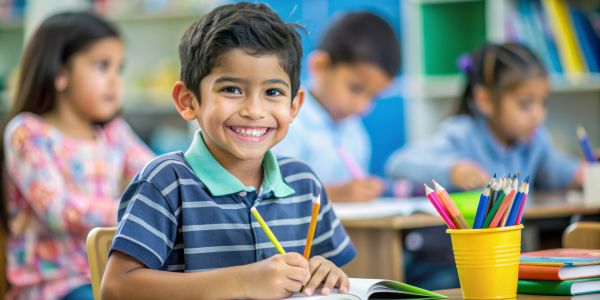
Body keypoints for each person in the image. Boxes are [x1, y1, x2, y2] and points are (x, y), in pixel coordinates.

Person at [101, 3, 356, 299]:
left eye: (273, 92)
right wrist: (244, 281)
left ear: (294, 106)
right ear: (187, 100)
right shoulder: (166, 182)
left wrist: (328, 272)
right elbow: (116, 288)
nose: (254, 110)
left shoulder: (304, 183)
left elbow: (330, 269)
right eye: (232, 90)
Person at [0, 12, 154, 300]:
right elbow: (59, 211)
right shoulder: (28, 132)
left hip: (108, 274)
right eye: (101, 66)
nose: (114, 81)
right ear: (60, 73)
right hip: (53, 286)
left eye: (119, 69)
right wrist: (135, 213)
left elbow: (154, 175)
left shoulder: (112, 132)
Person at [387, 42, 584, 192]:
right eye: (525, 104)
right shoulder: (462, 134)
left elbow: (561, 171)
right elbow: (398, 164)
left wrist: (582, 173)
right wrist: (452, 171)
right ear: (485, 100)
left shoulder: (534, 142)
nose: (539, 116)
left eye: (544, 103)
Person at [273, 12, 401, 202]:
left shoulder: (354, 131)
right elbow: (273, 193)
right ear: (320, 66)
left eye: (373, 97)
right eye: (356, 89)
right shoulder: (288, 122)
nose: (362, 107)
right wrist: (333, 194)